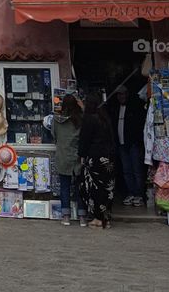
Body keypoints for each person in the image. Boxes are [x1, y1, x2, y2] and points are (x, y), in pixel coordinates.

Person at [44, 94, 87, 227]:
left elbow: (53, 135)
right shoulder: (80, 120)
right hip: (77, 156)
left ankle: (66, 216)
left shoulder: (57, 120)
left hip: (62, 155)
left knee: (65, 187)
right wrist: (83, 107)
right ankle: (82, 217)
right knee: (80, 187)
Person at [78, 92, 115, 229]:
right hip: (108, 157)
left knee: (94, 188)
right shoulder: (105, 118)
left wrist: (81, 155)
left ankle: (98, 218)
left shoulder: (89, 119)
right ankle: (106, 217)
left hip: (95, 157)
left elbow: (84, 140)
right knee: (107, 188)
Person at [108, 83, 146, 207]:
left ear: (127, 94)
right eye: (118, 94)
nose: (121, 96)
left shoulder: (134, 108)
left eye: (122, 94)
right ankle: (131, 192)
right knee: (126, 170)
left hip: (133, 144)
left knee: (137, 170)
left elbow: (138, 126)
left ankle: (139, 194)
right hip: (121, 144)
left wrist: (136, 141)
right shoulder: (116, 109)